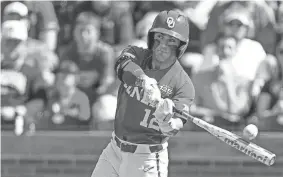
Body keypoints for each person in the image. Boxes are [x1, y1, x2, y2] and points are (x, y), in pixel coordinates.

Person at [91, 10, 195, 177]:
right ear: (152, 37)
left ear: (180, 46)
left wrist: (166, 121)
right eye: (160, 37)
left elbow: (176, 125)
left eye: (171, 41)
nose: (163, 45)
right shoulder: (137, 54)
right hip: (114, 149)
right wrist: (143, 80)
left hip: (146, 158)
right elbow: (123, 65)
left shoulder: (183, 84)